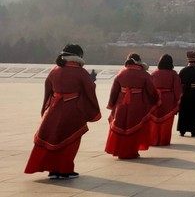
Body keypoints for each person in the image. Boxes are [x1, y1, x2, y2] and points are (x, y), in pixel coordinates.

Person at [25, 44, 101, 179]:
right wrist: (92, 82)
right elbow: (89, 90)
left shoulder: (54, 70)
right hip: (73, 110)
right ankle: (65, 170)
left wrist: (45, 109)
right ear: (79, 56)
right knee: (70, 142)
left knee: (53, 138)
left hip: (54, 109)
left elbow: (48, 91)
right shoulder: (80, 72)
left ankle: (52, 170)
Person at [105, 54, 159, 159]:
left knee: (121, 127)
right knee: (134, 128)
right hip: (137, 104)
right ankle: (131, 151)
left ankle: (120, 151)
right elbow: (151, 91)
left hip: (121, 104)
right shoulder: (144, 74)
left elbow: (114, 91)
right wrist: (156, 100)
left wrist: (112, 105)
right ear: (139, 62)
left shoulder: (120, 74)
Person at [150, 54, 182, 146]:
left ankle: (153, 140)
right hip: (168, 99)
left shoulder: (154, 73)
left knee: (154, 121)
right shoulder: (173, 74)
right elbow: (177, 89)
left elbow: (150, 88)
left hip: (156, 99)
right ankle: (164, 141)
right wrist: (178, 101)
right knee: (166, 122)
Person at [177, 51, 195, 137]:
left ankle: (182, 130)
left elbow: (179, 84)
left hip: (185, 96)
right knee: (193, 113)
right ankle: (193, 131)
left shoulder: (183, 71)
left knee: (184, 113)